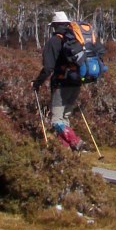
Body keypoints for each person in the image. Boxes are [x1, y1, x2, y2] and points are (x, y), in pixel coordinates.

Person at [32, 11, 87, 151]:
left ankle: (75, 141)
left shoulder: (53, 42)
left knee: (56, 120)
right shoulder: (76, 39)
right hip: (76, 82)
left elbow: (48, 68)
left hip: (61, 85)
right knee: (64, 118)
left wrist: (37, 83)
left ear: (54, 26)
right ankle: (65, 151)